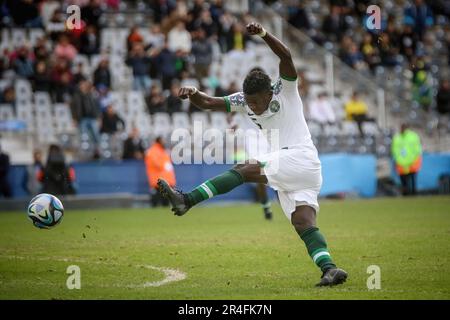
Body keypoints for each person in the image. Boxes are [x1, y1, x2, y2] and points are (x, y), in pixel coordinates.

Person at [157, 22, 347, 287]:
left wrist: (263, 35)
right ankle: (330, 268)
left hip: (300, 157)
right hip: (298, 172)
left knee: (244, 169)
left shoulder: (286, 90)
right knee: (302, 222)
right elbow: (210, 103)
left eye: (257, 101)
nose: (253, 107)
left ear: (270, 92)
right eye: (249, 102)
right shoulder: (244, 100)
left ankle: (187, 199)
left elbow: (286, 57)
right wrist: (193, 93)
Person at [391, 124, 422, 196]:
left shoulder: (397, 137)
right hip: (408, 162)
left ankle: (408, 193)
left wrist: (398, 158)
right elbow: (418, 149)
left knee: (406, 180)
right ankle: (412, 193)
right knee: (410, 180)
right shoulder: (414, 136)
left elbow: (394, 150)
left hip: (405, 162)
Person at [145, 137, 176, 207]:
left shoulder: (163, 151)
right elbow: (156, 164)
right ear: (159, 141)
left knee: (165, 203)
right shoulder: (153, 151)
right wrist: (165, 165)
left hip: (165, 180)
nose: (164, 142)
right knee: (156, 202)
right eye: (163, 141)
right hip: (158, 180)